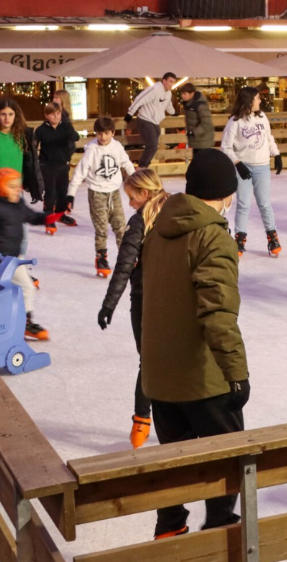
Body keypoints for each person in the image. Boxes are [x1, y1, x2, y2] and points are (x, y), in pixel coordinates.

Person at [140, 148, 249, 540]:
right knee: (230, 456)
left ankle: (169, 527)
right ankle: (219, 532)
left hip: (161, 377)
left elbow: (146, 303)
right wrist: (236, 374)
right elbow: (217, 314)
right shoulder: (213, 237)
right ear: (226, 194)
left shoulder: (157, 231)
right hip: (203, 378)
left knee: (176, 462)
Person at [97, 169, 169, 449]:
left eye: (132, 198)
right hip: (176, 299)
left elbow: (125, 265)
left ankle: (142, 421)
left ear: (145, 193)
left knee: (148, 362)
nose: (130, 204)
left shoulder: (139, 222)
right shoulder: (179, 210)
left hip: (146, 301)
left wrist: (108, 304)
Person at [0, 168, 60, 340]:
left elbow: (32, 217)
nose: (17, 189)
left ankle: (25, 322)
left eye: (18, 186)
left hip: (14, 260)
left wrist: (48, 217)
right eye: (11, 186)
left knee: (27, 288)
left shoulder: (18, 205)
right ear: (1, 188)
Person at [66, 117, 135, 277]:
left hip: (114, 192)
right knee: (101, 228)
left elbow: (126, 163)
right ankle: (101, 257)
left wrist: (136, 180)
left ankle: (126, 258)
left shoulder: (117, 147)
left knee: (120, 226)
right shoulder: (91, 150)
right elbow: (79, 173)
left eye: (106, 133)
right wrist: (70, 195)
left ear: (112, 133)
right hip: (96, 193)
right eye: (99, 133)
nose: (102, 137)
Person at [221, 86, 283, 258]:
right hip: (244, 168)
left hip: (262, 166)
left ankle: (273, 237)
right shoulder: (235, 121)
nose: (260, 101)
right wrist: (237, 163)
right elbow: (225, 147)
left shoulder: (262, 117)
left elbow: (269, 138)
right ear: (249, 101)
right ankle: (240, 239)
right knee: (244, 204)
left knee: (264, 203)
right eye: (257, 98)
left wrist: (276, 154)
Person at [33, 101, 80, 234]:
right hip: (47, 165)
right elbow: (34, 147)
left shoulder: (65, 127)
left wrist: (68, 128)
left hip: (62, 164)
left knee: (62, 192)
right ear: (46, 115)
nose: (56, 116)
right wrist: (34, 163)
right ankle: (49, 217)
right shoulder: (41, 130)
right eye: (52, 114)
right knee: (50, 192)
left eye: (58, 113)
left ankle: (60, 215)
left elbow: (75, 137)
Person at [127, 72, 179, 168]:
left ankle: (144, 165)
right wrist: (130, 113)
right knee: (152, 145)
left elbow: (168, 105)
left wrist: (173, 113)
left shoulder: (168, 93)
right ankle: (142, 166)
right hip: (145, 120)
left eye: (173, 82)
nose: (172, 84)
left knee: (153, 146)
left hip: (155, 122)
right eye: (170, 81)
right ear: (164, 81)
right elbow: (140, 99)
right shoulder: (154, 89)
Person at [180, 83, 214, 151]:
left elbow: (206, 123)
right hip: (197, 141)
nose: (182, 96)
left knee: (201, 160)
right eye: (182, 94)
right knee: (197, 159)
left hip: (203, 141)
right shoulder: (189, 104)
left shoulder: (200, 106)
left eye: (185, 94)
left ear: (192, 94)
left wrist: (193, 132)